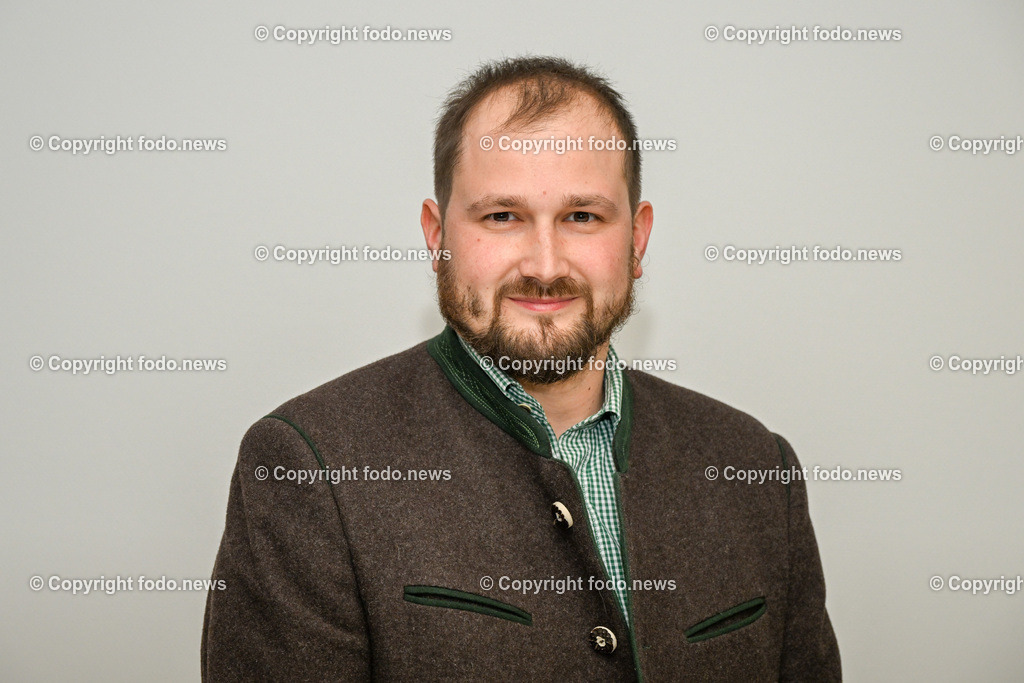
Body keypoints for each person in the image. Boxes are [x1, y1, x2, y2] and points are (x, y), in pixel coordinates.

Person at [202, 55, 841, 681]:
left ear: (637, 241)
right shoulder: (309, 467)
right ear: (436, 234)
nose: (543, 263)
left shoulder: (756, 466)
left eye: (582, 217)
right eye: (502, 216)